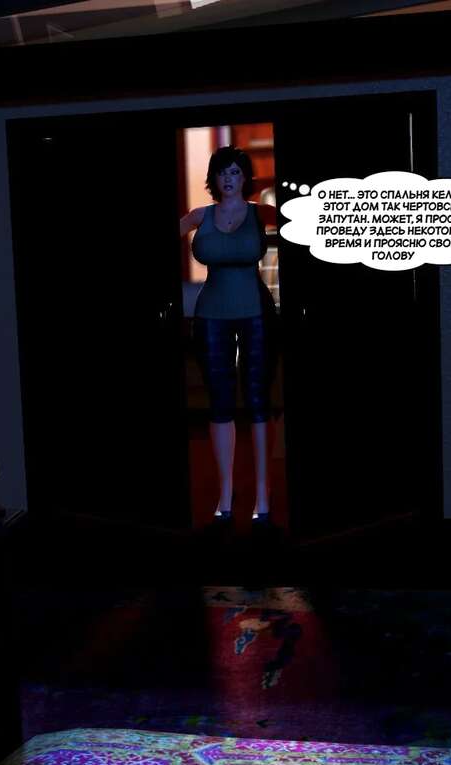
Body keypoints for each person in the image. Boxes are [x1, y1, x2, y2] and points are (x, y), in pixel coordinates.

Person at [178, 146, 278, 526]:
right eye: (222, 172)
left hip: (256, 313)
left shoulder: (260, 213)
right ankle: (225, 491)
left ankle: (263, 492)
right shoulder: (199, 216)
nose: (228, 178)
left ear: (245, 176)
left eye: (235, 171)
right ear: (214, 178)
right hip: (210, 316)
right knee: (219, 402)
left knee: (257, 400)